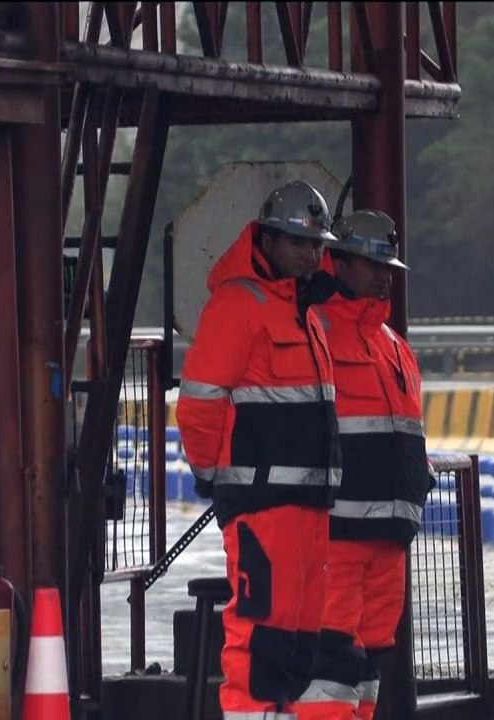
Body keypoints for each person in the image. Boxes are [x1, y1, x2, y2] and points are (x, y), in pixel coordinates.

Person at [176, 180, 343, 719]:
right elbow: (199, 405)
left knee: (297, 640)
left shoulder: (308, 316)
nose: (310, 254)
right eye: (298, 243)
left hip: (307, 507)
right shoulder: (237, 306)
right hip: (261, 507)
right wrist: (217, 476)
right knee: (259, 632)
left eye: (316, 245)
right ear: (266, 241)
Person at [304, 210, 433, 719]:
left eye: (388, 266)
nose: (383, 275)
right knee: (332, 655)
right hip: (336, 531)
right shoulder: (316, 332)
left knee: (373, 655)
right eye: (371, 263)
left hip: (390, 534)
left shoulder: (395, 348)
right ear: (338, 261)